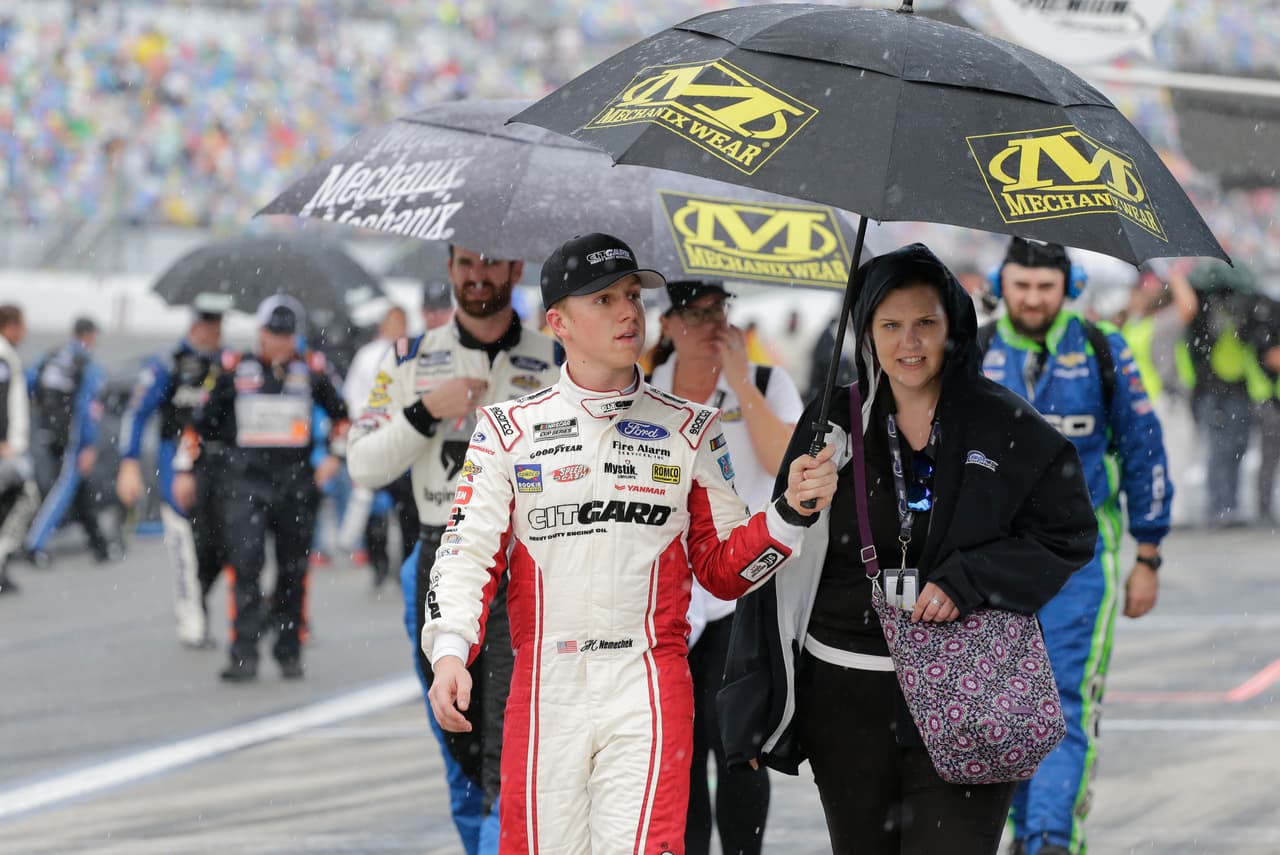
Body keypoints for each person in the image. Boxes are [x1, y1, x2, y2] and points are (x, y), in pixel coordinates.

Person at [423, 232, 838, 854]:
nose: (627, 312)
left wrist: (787, 514)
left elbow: (723, 569)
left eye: (631, 297)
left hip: (645, 681)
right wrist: (451, 650)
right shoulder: (507, 431)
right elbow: (466, 552)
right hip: (545, 686)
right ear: (557, 321)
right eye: (603, 300)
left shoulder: (691, 429)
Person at [719, 242, 1097, 855]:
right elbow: (777, 551)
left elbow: (1069, 532)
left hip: (968, 693)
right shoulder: (830, 423)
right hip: (843, 700)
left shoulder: (1005, 424)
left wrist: (971, 578)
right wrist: (795, 503)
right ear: (866, 331)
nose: (910, 342)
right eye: (890, 325)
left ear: (955, 327)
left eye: (926, 322)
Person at [346, 248, 561, 855]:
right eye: (467, 261)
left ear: (516, 272)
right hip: (441, 559)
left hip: (529, 563)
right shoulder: (411, 358)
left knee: (510, 746)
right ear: (449, 267)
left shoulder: (555, 359)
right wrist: (425, 411)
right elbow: (361, 464)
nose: (478, 275)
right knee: (461, 745)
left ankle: (503, 838)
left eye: (493, 263)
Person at [981, 238, 1173, 855]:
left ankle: (1051, 841)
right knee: (998, 714)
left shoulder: (1101, 347)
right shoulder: (974, 350)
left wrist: (1149, 554)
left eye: (1045, 287)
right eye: (1022, 286)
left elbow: (1145, 451)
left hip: (1081, 565)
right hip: (988, 566)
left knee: (1063, 705)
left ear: (1068, 287)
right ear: (1000, 283)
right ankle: (1021, 831)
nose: (1033, 298)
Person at [646, 278, 805, 855]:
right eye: (695, 314)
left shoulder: (766, 381)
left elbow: (783, 463)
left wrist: (740, 377)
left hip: (742, 589)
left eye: (720, 310)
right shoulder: (644, 390)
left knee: (739, 746)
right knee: (676, 752)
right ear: (666, 326)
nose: (712, 324)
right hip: (667, 596)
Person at [177, 296, 348, 682]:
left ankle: (288, 650)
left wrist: (333, 461)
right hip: (246, 483)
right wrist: (185, 470)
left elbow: (344, 418)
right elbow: (198, 424)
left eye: (287, 334)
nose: (281, 342)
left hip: (297, 485)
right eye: (274, 333)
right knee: (246, 566)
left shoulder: (313, 370)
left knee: (293, 570)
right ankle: (243, 654)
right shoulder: (234, 368)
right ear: (260, 333)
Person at [116, 296, 229, 647]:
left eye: (218, 325)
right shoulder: (167, 363)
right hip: (174, 463)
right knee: (183, 540)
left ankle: (199, 598)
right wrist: (129, 463)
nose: (213, 332)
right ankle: (191, 621)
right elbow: (136, 413)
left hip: (216, 465)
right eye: (207, 325)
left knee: (221, 545)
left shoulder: (227, 364)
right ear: (194, 326)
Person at [1178, 261, 1273, 525]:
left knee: (1236, 447)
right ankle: (1220, 506)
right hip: (1215, 392)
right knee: (1222, 448)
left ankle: (1227, 504)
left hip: (1235, 390)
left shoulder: (1238, 318)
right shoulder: (1205, 318)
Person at [24, 316, 116, 565]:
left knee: (77, 490)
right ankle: (34, 543)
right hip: (72, 438)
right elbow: (89, 409)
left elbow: (29, 381)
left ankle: (100, 544)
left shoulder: (52, 356)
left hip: (48, 431)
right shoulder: (88, 365)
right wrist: (88, 445)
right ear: (89, 335)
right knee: (63, 490)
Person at [341, 305, 414, 587]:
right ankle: (379, 563)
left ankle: (402, 565)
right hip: (376, 439)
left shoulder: (411, 351)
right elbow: (353, 396)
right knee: (374, 506)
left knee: (405, 507)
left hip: (401, 442)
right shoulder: (369, 355)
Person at [0, 305, 37, 594]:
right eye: (22, 325)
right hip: (6, 449)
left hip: (9, 446)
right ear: (10, 325)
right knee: (26, 497)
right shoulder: (3, 356)